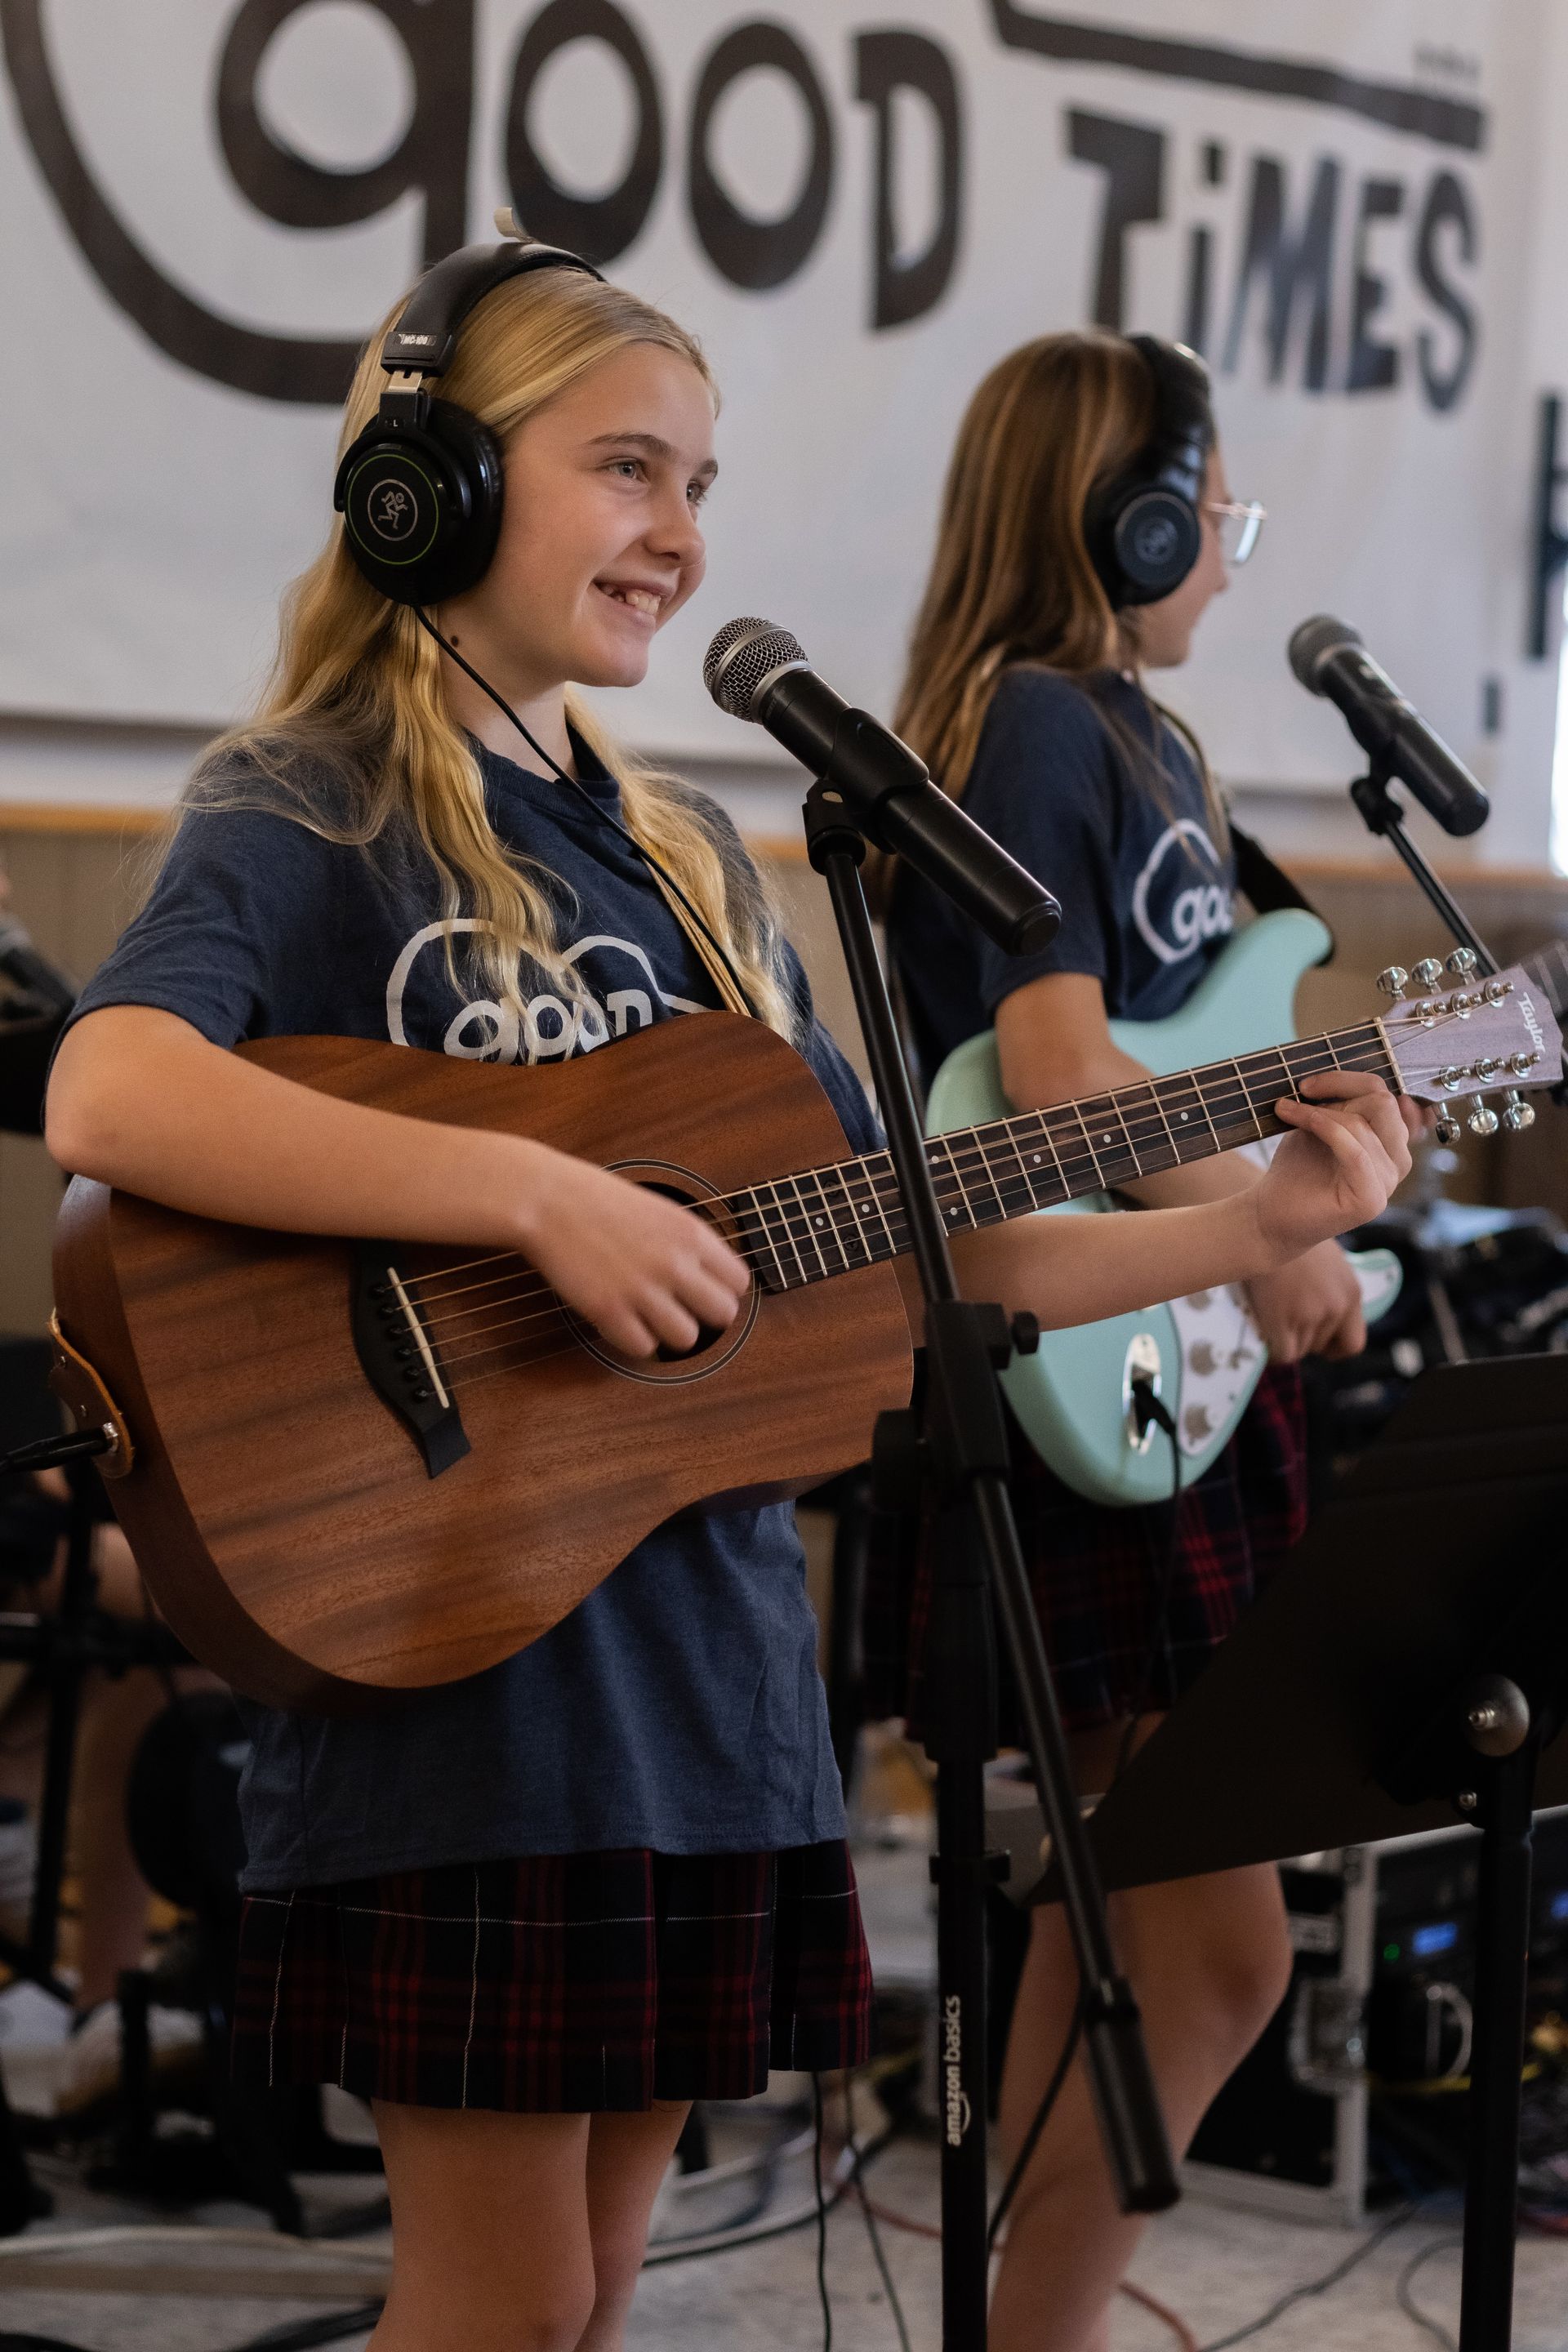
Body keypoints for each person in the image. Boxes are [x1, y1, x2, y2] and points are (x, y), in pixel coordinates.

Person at [45, 251, 1415, 2352]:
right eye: (625, 468)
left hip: (702, 1700)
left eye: (701, 478)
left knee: (593, 2296)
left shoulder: (688, 857)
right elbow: (111, 1085)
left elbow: (934, 1233)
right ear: (424, 482)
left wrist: (1261, 1222)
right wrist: (529, 1197)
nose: (684, 531)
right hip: (463, 1696)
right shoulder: (313, 799)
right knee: (501, 2306)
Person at [881, 328, 1373, 2352]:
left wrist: (1336, 1139)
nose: (1230, 561)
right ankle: (1041, 2333)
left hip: (1162, 1362)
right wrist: (1252, 1235)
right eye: (1212, 515)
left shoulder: (1143, 742)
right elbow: (1061, 1059)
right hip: (1088, 1354)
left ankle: (1021, 2328)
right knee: (1214, 1956)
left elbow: (1197, 1034)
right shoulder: (1037, 728)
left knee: (1132, 1945)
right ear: (1129, 515)